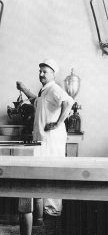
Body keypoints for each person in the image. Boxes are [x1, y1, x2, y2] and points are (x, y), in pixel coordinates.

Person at [16, 58, 74, 216]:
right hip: (43, 138)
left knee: (52, 172)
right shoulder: (45, 90)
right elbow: (37, 101)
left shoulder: (54, 88)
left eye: (45, 71)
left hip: (52, 139)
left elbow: (68, 103)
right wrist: (24, 88)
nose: (41, 74)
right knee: (43, 172)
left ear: (53, 74)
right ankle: (44, 209)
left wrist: (57, 123)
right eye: (40, 71)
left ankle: (53, 210)